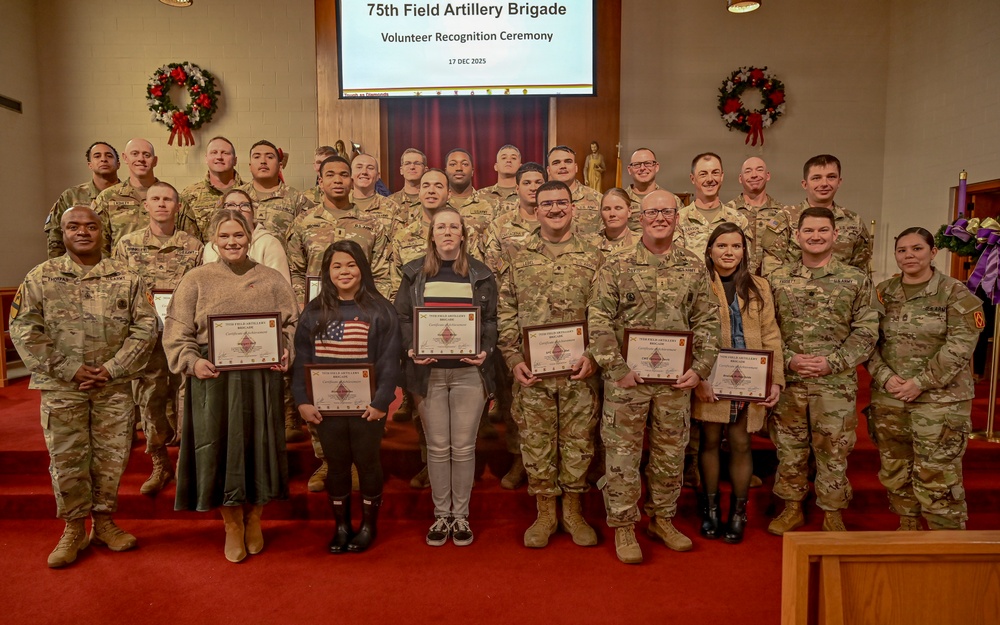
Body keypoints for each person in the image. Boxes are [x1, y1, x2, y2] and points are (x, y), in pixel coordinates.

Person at [10, 205, 157, 568]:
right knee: (67, 458)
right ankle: (74, 528)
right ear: (62, 233)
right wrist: (69, 368)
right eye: (73, 227)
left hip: (113, 385)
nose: (82, 232)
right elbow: (24, 329)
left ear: (102, 231)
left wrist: (113, 367)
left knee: (111, 458)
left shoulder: (127, 276)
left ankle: (105, 523)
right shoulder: (41, 277)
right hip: (62, 387)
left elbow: (146, 326)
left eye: (90, 226)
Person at [587, 190, 721, 564]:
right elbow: (597, 318)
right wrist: (615, 368)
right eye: (652, 211)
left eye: (667, 211)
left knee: (669, 454)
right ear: (638, 217)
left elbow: (708, 320)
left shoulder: (693, 266)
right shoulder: (616, 265)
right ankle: (625, 524)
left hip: (674, 384)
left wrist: (701, 368)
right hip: (627, 382)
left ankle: (662, 518)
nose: (659, 217)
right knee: (622, 456)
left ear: (677, 217)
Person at [163, 209, 298, 563]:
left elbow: (290, 325)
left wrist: (286, 350)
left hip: (260, 379)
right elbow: (177, 332)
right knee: (218, 450)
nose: (232, 242)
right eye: (224, 236)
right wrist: (193, 362)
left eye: (238, 235)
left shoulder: (270, 279)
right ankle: (232, 523)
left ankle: (255, 518)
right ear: (213, 240)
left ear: (250, 236)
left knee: (259, 449)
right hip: (213, 379)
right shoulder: (196, 279)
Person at [497, 180, 602, 548]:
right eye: (547, 204)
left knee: (578, 442)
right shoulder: (518, 255)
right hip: (533, 373)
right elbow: (505, 311)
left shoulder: (595, 255)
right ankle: (545, 512)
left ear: (573, 206)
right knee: (537, 442)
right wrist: (512, 358)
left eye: (562, 202)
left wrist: (594, 356)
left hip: (579, 373)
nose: (555, 209)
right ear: (535, 209)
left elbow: (605, 313)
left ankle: (573, 510)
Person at [767, 207, 880, 535]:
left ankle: (832, 512)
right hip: (790, 381)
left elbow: (868, 329)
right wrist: (787, 358)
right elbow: (765, 328)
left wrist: (835, 361)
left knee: (834, 450)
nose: (815, 237)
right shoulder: (777, 279)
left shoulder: (856, 279)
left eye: (822, 231)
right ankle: (791, 508)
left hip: (834, 382)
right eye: (809, 231)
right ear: (797, 236)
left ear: (835, 235)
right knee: (789, 448)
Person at [868, 227, 984, 530]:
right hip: (890, 397)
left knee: (937, 473)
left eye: (917, 249)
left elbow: (961, 344)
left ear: (933, 252)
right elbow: (866, 341)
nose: (909, 256)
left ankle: (944, 542)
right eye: (902, 250)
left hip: (940, 402)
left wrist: (920, 382)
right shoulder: (882, 292)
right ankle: (907, 526)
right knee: (896, 468)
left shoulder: (955, 292)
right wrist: (885, 377)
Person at [395, 207, 498, 547]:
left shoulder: (481, 274)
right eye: (441, 226)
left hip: (470, 373)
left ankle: (462, 517)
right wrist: (412, 348)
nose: (448, 231)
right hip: (429, 374)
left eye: (454, 226)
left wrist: (485, 349)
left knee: (464, 448)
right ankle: (442, 516)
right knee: (438, 449)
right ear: (432, 234)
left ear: (463, 234)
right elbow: (403, 318)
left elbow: (491, 320)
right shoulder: (413, 273)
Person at [293, 241, 401, 553]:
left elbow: (390, 360)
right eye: (337, 266)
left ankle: (368, 525)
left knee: (367, 463)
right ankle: (341, 525)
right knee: (337, 465)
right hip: (326, 410)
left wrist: (382, 402)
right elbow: (301, 360)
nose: (344, 271)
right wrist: (302, 400)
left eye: (351, 265)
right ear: (327, 272)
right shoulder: (313, 313)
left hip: (368, 409)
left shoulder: (381, 310)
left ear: (362, 269)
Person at [692, 223, 783, 544]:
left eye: (736, 246)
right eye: (721, 246)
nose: (729, 252)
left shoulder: (759, 286)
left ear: (745, 251)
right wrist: (698, 377)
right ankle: (711, 509)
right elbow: (690, 331)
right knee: (710, 442)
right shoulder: (699, 283)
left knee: (742, 443)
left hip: (750, 378)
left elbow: (771, 333)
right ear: (709, 250)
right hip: (712, 377)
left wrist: (775, 380)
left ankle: (739, 512)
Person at [112, 181, 204, 495]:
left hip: (182, 334)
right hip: (145, 336)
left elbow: (201, 291)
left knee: (186, 396)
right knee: (150, 398)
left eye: (168, 199)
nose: (162, 204)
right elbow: (118, 291)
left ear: (177, 206)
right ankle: (160, 462)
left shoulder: (193, 245)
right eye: (156, 199)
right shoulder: (127, 244)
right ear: (146, 206)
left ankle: (187, 463)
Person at [674, 152, 751, 489]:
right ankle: (691, 467)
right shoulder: (679, 218)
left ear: (722, 176)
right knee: (694, 407)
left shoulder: (739, 219)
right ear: (693, 179)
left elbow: (749, 268)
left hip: (731, 312)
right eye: (702, 173)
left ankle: (724, 469)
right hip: (692, 312)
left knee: (728, 413)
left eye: (715, 172)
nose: (709, 178)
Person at [481, 161, 548, 490]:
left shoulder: (559, 221)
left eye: (539, 182)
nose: (533, 187)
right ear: (517, 188)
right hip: (513, 317)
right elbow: (492, 273)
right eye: (527, 182)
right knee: (512, 394)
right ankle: (519, 457)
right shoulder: (500, 225)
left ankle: (551, 461)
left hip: (553, 324)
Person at [93, 138, 200, 252]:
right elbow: (99, 247)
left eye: (146, 155)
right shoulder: (107, 198)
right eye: (135, 154)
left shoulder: (173, 199)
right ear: (125, 158)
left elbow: (191, 246)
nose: (141, 159)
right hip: (123, 267)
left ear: (155, 161)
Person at [787, 154, 872, 272]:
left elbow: (861, 270)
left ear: (839, 182)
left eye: (831, 177)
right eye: (816, 178)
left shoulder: (853, 220)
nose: (824, 183)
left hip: (842, 288)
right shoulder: (785, 217)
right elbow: (772, 269)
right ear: (804, 184)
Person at [45, 141, 120, 258]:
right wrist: (58, 270)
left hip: (121, 267)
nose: (103, 159)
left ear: (118, 164)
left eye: (109, 156)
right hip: (82, 266)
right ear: (90, 164)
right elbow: (55, 235)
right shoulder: (72, 196)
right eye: (97, 156)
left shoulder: (130, 195)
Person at [202, 189, 292, 283]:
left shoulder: (269, 243)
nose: (237, 209)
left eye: (244, 205)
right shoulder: (211, 247)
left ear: (253, 213)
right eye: (230, 205)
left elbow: (281, 287)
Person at [238, 140, 315, 246]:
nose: (263, 161)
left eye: (270, 157)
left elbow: (309, 241)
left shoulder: (297, 199)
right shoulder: (236, 196)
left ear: (280, 166)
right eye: (257, 157)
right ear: (250, 166)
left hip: (281, 262)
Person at [725, 157, 790, 276]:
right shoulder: (727, 212)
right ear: (740, 178)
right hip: (736, 282)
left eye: (759, 170)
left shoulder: (783, 213)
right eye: (748, 171)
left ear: (768, 176)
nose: (754, 175)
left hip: (772, 284)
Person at [179, 136, 244, 241]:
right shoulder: (189, 194)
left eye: (225, 153)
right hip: (202, 256)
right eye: (214, 152)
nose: (219, 157)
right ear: (206, 158)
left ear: (235, 160)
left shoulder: (249, 192)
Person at [546, 145, 603, 233]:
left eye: (568, 162)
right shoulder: (540, 200)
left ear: (576, 167)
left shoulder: (598, 199)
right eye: (556, 163)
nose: (563, 166)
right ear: (549, 170)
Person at [624, 148, 683, 232]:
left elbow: (681, 232)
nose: (642, 168)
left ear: (656, 167)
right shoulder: (620, 200)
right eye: (637, 164)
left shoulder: (672, 200)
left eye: (648, 163)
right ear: (629, 170)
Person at [351, 153, 406, 239]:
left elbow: (398, 243)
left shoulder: (392, 208)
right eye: (359, 167)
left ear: (378, 176)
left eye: (370, 168)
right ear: (351, 173)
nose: (364, 172)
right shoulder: (339, 204)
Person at [445, 148, 499, 236]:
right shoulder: (437, 203)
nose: (459, 168)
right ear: (446, 171)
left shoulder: (491, 204)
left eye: (465, 164)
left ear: (472, 171)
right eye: (453, 164)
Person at [589, 187, 639, 253]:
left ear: (629, 211)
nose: (612, 214)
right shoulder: (588, 244)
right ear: (600, 212)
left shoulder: (642, 243)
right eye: (607, 209)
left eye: (618, 208)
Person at [389, 147, 428, 221]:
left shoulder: (433, 200)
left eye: (417, 163)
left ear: (425, 170)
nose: (412, 167)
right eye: (407, 163)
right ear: (401, 170)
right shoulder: (389, 202)